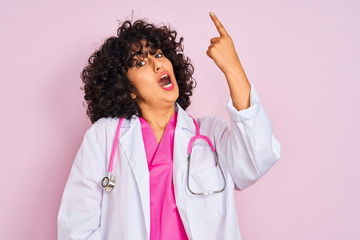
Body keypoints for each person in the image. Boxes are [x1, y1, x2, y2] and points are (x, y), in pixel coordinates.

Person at [57, 12, 281, 240]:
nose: (157, 64)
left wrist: (233, 67)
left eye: (158, 54)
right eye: (141, 62)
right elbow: (76, 226)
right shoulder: (103, 137)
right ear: (128, 88)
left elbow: (257, 158)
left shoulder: (209, 134)